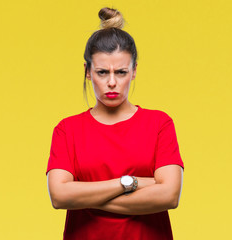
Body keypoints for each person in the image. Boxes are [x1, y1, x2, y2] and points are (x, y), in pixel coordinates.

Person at [46, 7, 184, 240]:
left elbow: (169, 196)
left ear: (134, 71)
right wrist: (130, 183)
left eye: (121, 72)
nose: (112, 82)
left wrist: (86, 197)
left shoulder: (159, 123)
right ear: (87, 72)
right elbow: (60, 196)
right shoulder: (67, 130)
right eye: (102, 72)